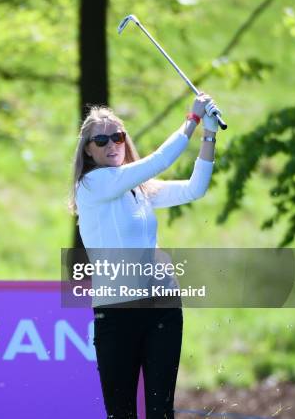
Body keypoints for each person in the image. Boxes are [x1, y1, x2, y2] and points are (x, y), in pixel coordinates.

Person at [69, 93, 221, 418]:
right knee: (122, 413)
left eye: (118, 136)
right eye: (101, 139)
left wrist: (209, 135)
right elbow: (160, 159)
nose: (112, 144)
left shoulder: (139, 188)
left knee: (161, 411)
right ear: (88, 149)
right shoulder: (92, 185)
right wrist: (191, 120)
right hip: (117, 313)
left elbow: (195, 189)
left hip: (162, 307)